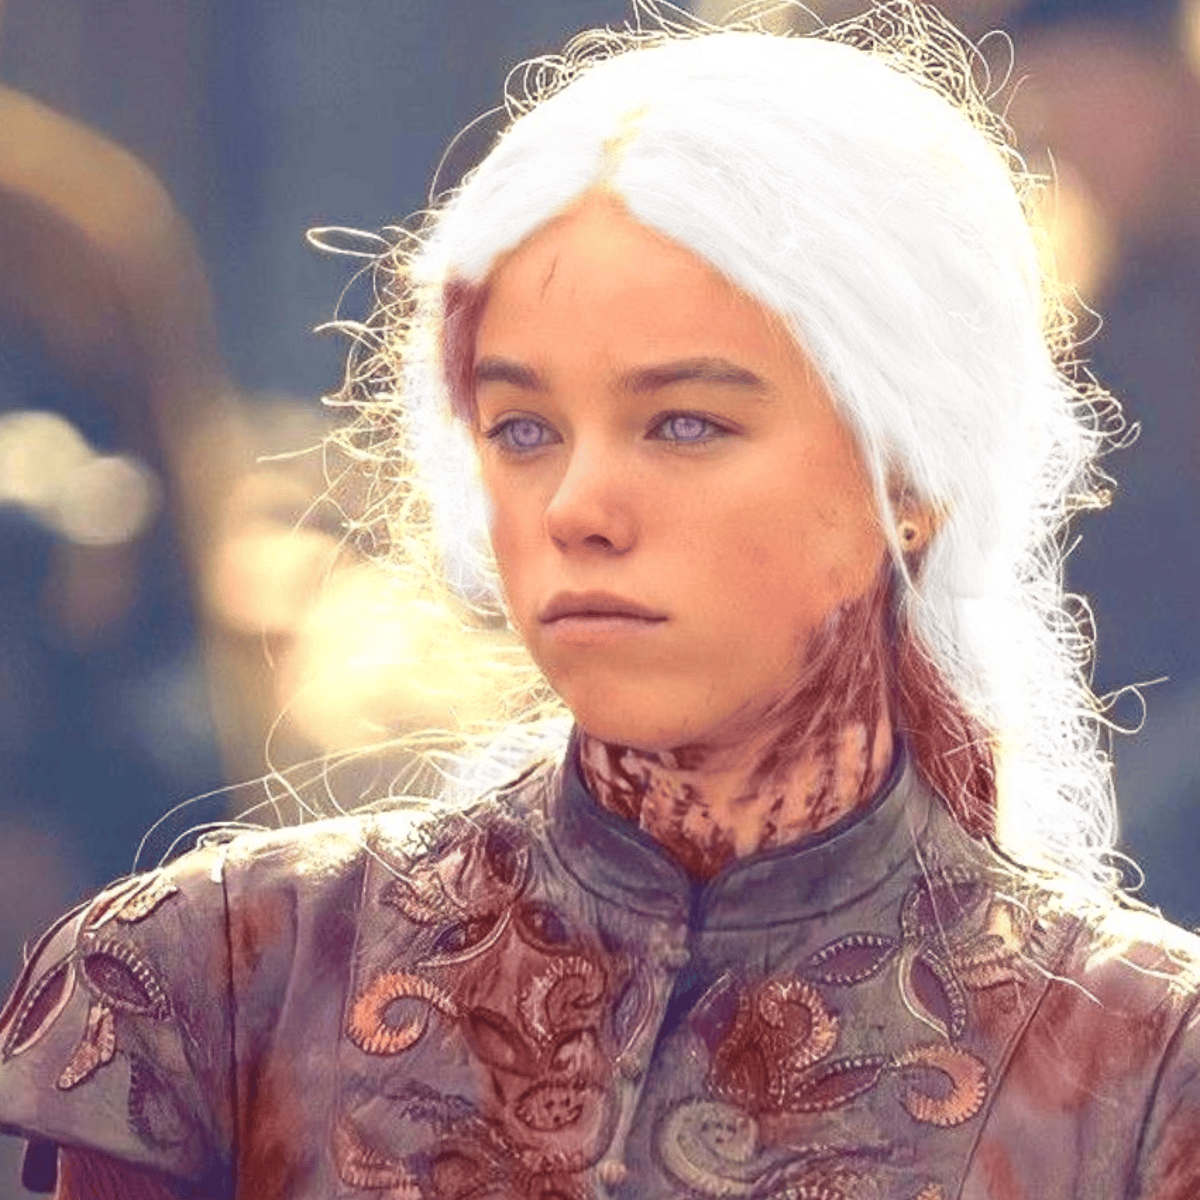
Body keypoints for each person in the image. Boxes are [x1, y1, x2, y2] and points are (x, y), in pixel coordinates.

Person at [1, 3, 1198, 1198]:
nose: (576, 506)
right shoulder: (221, 979)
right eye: (523, 429)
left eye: (683, 423)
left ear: (910, 476)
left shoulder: (1145, 1074)